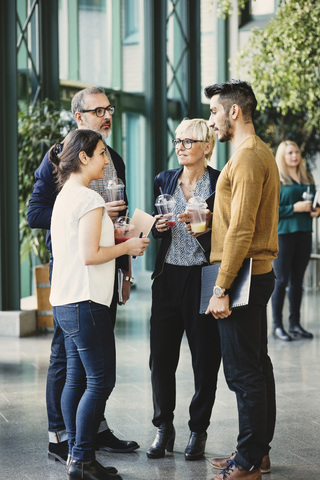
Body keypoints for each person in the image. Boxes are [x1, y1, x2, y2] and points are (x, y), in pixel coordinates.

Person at [27, 87, 139, 464]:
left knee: (93, 362)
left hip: (106, 269)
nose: (107, 115)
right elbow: (35, 213)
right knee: (67, 358)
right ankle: (60, 436)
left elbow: (118, 220)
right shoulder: (59, 159)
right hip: (75, 271)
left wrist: (125, 270)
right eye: (98, 110)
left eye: (110, 108)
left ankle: (92, 432)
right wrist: (89, 218)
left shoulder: (114, 160)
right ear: (79, 118)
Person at [48, 129, 149, 480]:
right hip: (87, 302)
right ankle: (82, 459)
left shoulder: (66, 196)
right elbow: (91, 255)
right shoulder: (89, 199)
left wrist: (114, 235)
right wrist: (128, 248)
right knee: (100, 381)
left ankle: (77, 454)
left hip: (66, 301)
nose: (107, 161)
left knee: (76, 379)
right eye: (102, 153)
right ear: (84, 157)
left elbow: (81, 248)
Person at [204, 80, 279, 480]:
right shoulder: (254, 152)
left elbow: (242, 229)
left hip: (243, 274)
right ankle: (257, 451)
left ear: (234, 111)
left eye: (215, 111)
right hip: (252, 272)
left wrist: (221, 287)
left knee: (242, 371)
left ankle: (248, 461)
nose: (212, 120)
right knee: (256, 365)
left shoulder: (248, 156)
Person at [147, 118, 221, 461]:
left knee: (205, 359)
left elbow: (229, 232)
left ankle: (198, 430)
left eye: (188, 141)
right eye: (177, 141)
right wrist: (158, 226)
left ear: (206, 146)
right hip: (168, 278)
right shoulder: (165, 179)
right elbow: (156, 227)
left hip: (204, 279)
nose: (179, 146)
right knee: (161, 358)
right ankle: (164, 427)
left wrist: (204, 231)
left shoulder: (220, 183)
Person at [271, 140, 319, 341]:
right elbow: (271, 211)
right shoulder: (276, 179)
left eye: (296, 152)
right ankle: (277, 326)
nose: (294, 156)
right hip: (283, 234)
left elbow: (314, 202)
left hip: (304, 233)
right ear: (282, 156)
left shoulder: (306, 177)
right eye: (290, 152)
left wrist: (316, 210)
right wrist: (294, 208)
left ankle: (295, 324)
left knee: (298, 281)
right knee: (281, 281)